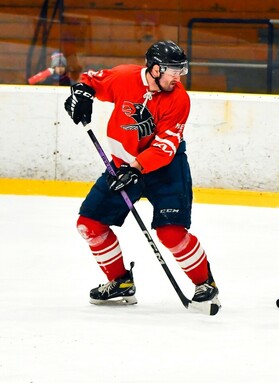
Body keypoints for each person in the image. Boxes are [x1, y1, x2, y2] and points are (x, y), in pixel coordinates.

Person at [63, 40, 220, 314]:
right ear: (156, 69)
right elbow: (91, 81)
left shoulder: (179, 99)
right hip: (124, 164)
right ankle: (120, 282)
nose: (178, 77)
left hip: (165, 168)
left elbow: (165, 147)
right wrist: (82, 93)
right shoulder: (125, 77)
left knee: (171, 232)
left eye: (181, 71)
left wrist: (135, 168)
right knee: (89, 224)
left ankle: (205, 285)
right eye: (173, 71)